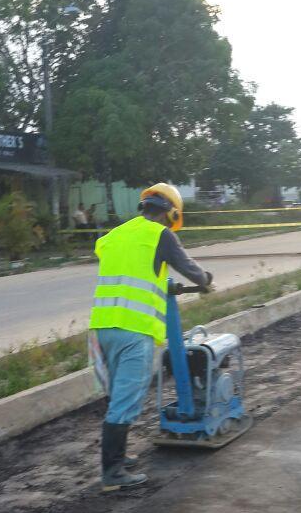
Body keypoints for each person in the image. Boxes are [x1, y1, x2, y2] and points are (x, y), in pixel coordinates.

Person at [89, 182, 213, 492]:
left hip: (102, 328)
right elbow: (191, 270)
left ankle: (119, 458)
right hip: (135, 330)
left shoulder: (113, 236)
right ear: (171, 212)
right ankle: (113, 474)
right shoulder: (161, 235)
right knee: (126, 399)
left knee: (116, 395)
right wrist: (206, 280)